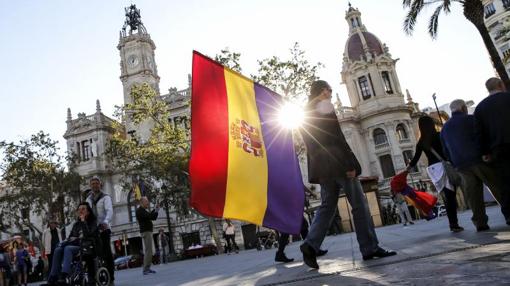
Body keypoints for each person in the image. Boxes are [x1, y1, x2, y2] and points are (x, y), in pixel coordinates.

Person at [299, 80, 396, 269]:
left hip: (322, 169)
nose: (330, 93)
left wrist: (317, 171)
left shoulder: (304, 113)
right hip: (339, 165)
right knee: (359, 205)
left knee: (327, 207)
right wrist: (350, 164)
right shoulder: (324, 106)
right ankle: (370, 248)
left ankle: (310, 245)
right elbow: (336, 138)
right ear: (322, 91)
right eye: (329, 89)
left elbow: (311, 145)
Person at [441, 99, 505, 231]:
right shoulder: (471, 119)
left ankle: (480, 223)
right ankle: (509, 213)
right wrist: (487, 153)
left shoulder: (445, 128)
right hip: (479, 160)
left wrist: (454, 162)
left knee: (473, 195)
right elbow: (482, 136)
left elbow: (445, 150)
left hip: (461, 165)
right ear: (464, 108)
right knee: (497, 187)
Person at [407, 115, 464, 233]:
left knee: (446, 197)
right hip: (444, 166)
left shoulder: (421, 142)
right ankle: (454, 223)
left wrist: (406, 170)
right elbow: (448, 150)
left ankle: (453, 223)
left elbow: (415, 159)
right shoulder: (439, 135)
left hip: (433, 170)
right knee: (451, 197)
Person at [474, 77, 510, 225]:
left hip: (498, 150)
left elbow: (480, 133)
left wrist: (484, 153)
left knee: (505, 183)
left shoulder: (480, 108)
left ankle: (508, 214)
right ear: (501, 85)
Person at [46, 202, 98, 285]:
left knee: (68, 248)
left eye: (83, 209)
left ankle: (64, 276)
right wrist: (66, 241)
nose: (80, 211)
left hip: (87, 247)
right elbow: (70, 237)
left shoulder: (92, 222)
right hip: (76, 247)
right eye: (79, 209)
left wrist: (83, 221)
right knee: (58, 249)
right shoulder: (76, 224)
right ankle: (53, 277)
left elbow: (89, 235)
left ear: (88, 212)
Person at [86, 176, 115, 284]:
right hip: (92, 231)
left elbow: (109, 211)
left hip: (104, 229)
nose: (94, 185)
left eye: (96, 183)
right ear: (90, 186)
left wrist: (106, 221)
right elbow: (85, 213)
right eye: (92, 183)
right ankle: (93, 277)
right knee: (92, 254)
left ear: (100, 184)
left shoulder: (105, 197)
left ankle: (111, 277)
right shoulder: (88, 199)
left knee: (107, 253)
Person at [136, 196, 159, 275]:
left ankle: (148, 268)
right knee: (148, 251)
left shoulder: (143, 210)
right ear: (142, 202)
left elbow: (152, 217)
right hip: (146, 232)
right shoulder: (140, 211)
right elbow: (151, 216)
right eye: (146, 201)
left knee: (149, 251)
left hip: (148, 231)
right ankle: (146, 269)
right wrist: (156, 210)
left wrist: (156, 209)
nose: (148, 203)